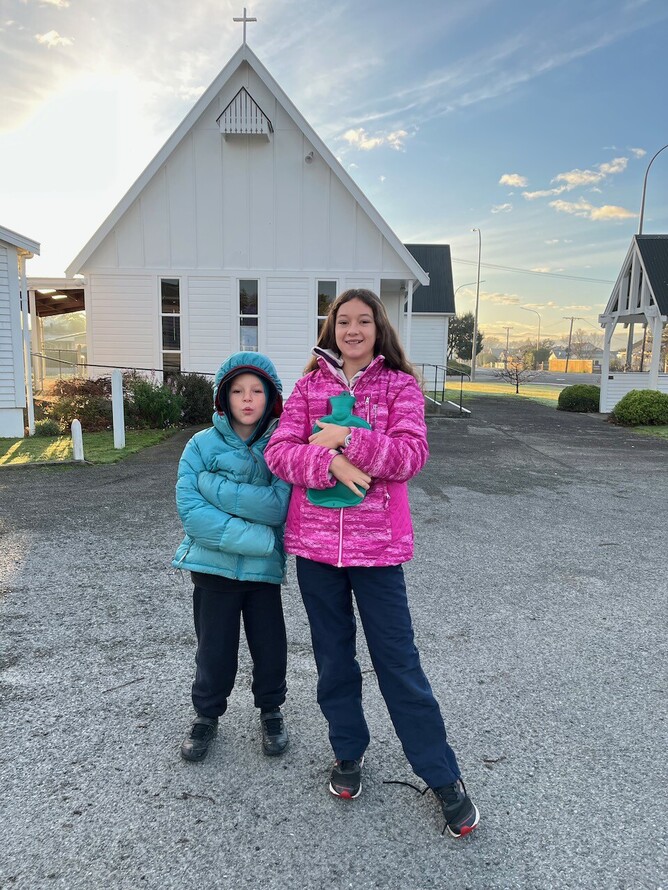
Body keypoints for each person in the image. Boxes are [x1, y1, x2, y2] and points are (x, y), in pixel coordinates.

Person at [264, 289, 479, 838]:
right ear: (331, 328)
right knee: (334, 660)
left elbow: (410, 456)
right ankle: (347, 754)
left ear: (378, 328)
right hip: (316, 551)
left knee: (398, 663)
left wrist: (350, 438)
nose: (353, 329)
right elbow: (280, 452)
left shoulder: (400, 385)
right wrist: (331, 460)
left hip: (378, 552)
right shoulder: (309, 386)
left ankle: (442, 775)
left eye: (363, 320)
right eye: (343, 321)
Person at [173, 352, 291, 763]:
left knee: (270, 645)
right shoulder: (200, 445)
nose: (247, 399)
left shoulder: (281, 445)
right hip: (212, 570)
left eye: (257, 390)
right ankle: (206, 715)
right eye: (238, 390)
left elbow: (280, 507)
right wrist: (259, 538)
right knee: (214, 648)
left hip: (262, 575)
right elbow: (191, 509)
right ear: (223, 397)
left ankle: (271, 710)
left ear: (270, 397)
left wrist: (216, 489)